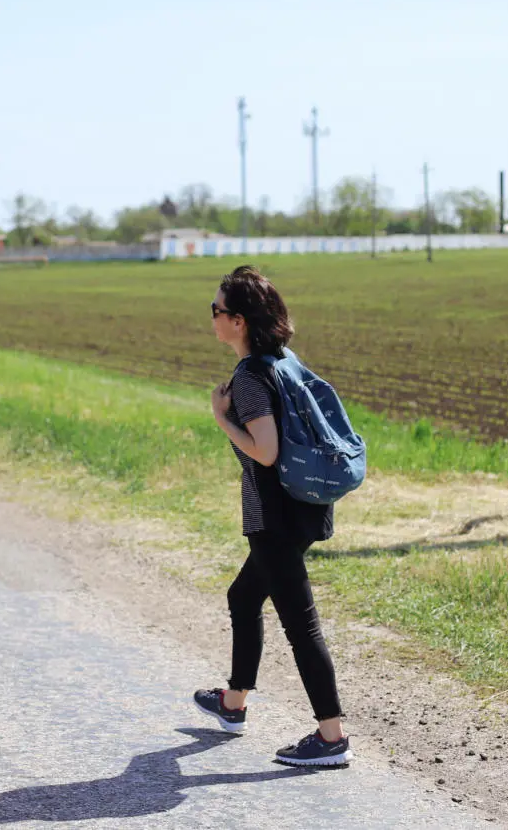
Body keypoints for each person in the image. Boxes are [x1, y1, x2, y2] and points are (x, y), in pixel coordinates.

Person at [191, 265, 351, 767]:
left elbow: (265, 450)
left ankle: (331, 738)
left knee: (301, 626)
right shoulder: (282, 361)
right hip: (301, 507)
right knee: (242, 596)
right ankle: (233, 703)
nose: (212, 318)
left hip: (275, 519)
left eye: (216, 310)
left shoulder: (250, 378)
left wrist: (221, 418)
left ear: (237, 321)